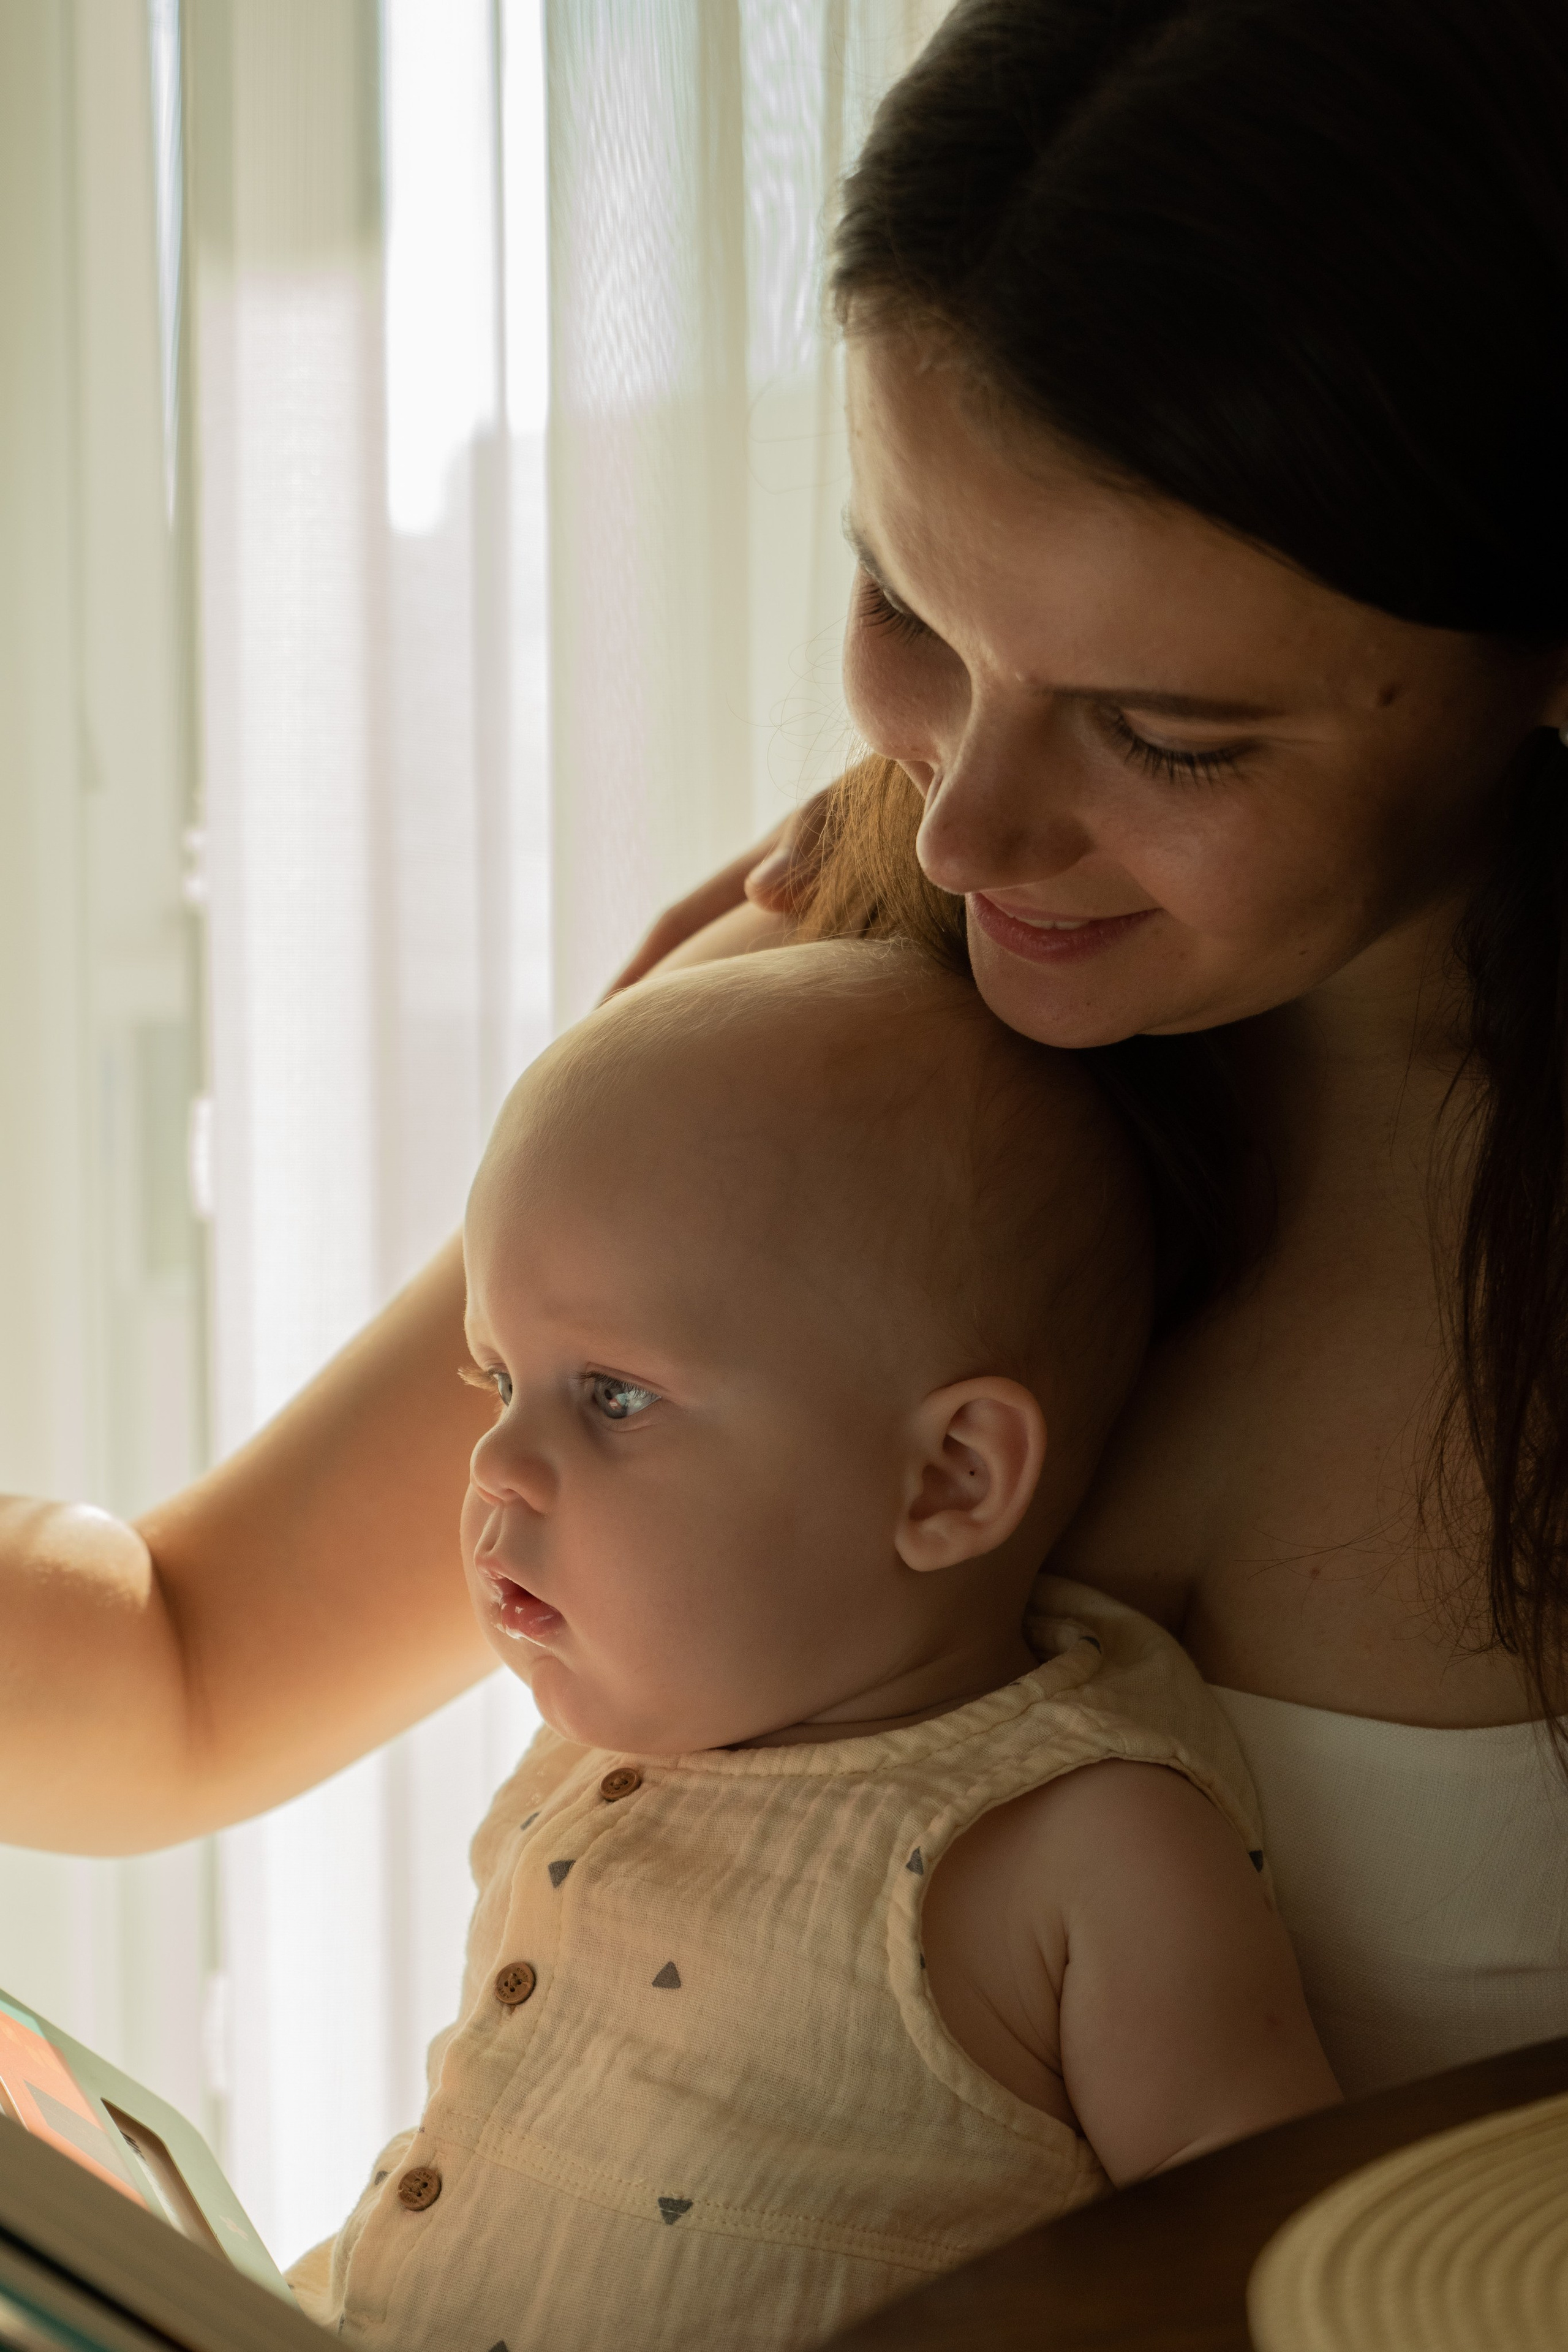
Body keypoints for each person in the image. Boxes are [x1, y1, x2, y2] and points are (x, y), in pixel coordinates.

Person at [4, 0, 1567, 2102]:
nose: (963, 832)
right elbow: (180, 1669)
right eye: (909, 612)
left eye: (1165, 735)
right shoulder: (842, 1008)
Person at [287, 940, 1336, 2352]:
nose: (497, 1463)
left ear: (947, 1478)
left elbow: (1281, 2257)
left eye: (612, 1396)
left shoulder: (1074, 1845)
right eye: (498, 1378)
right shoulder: (598, 1751)